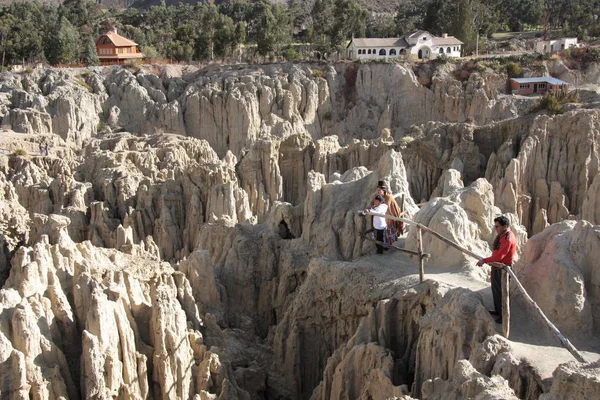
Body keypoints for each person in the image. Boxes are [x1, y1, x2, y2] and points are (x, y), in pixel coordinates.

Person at [476, 216, 517, 324]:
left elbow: (500, 256)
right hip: (497, 267)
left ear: (505, 226)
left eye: (497, 226)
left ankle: (503, 317)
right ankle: (498, 311)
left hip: (502, 269)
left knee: (502, 293)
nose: (496, 228)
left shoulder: (508, 238)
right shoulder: (502, 235)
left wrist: (484, 260)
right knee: (496, 291)